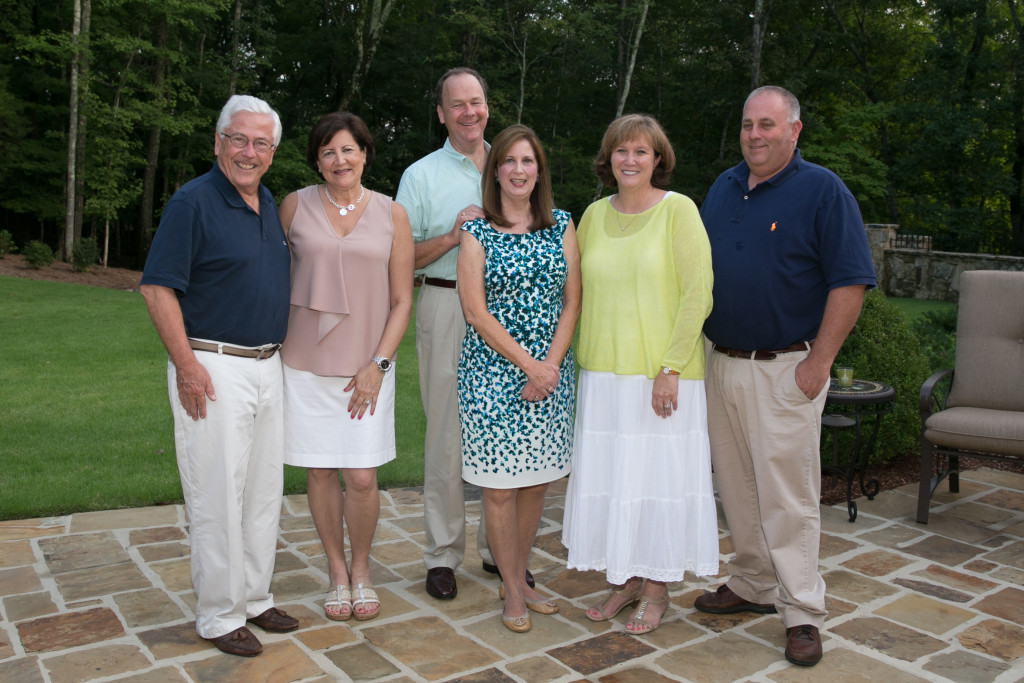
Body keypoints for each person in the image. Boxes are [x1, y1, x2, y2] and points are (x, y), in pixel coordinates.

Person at [695, 86, 876, 667]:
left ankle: (801, 610)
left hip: (784, 370)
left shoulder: (822, 190)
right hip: (719, 362)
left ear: (794, 131)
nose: (755, 134)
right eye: (748, 123)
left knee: (788, 497)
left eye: (767, 124)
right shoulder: (722, 188)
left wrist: (818, 362)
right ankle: (751, 583)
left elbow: (850, 281)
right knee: (738, 488)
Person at [140, 95, 298, 657]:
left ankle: (254, 597)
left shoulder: (266, 202)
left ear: (272, 153)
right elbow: (158, 287)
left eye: (260, 143)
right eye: (238, 139)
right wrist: (186, 366)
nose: (248, 152)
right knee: (216, 494)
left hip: (266, 365)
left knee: (261, 493)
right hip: (212, 365)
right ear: (217, 142)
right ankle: (218, 613)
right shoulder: (193, 202)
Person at [561, 114, 720, 635]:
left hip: (662, 377)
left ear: (658, 160)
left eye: (642, 152)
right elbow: (575, 295)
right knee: (614, 481)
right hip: (604, 377)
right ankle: (624, 579)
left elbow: (699, 293)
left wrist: (670, 367)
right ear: (608, 160)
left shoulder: (679, 211)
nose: (630, 160)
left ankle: (656, 589)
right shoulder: (589, 216)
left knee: (657, 483)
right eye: (621, 151)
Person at [397, 67, 533, 600]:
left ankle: (500, 552)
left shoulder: (512, 165)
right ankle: (442, 554)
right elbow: (399, 256)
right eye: (457, 105)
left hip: (510, 314)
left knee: (503, 429)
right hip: (446, 301)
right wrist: (453, 235)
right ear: (441, 114)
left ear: (487, 106)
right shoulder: (421, 175)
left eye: (476, 101)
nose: (469, 112)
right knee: (448, 434)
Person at [278, 112, 414, 622]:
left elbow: (402, 300)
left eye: (349, 150)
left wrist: (379, 363)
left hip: (368, 367)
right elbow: (269, 274)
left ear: (365, 154)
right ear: (317, 159)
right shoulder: (293, 205)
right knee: (320, 469)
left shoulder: (391, 214)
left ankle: (362, 568)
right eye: (329, 151)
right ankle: (335, 571)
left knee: (360, 476)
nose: (340, 160)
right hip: (306, 364)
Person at [457, 124, 581, 633]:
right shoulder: (476, 231)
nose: (517, 170)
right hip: (491, 377)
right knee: (501, 490)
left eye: (527, 161)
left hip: (551, 376)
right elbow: (475, 312)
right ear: (495, 171)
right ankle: (511, 587)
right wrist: (529, 366)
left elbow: (572, 300)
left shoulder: (563, 224)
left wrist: (548, 366)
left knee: (535, 486)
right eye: (508, 161)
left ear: (539, 170)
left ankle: (520, 577)